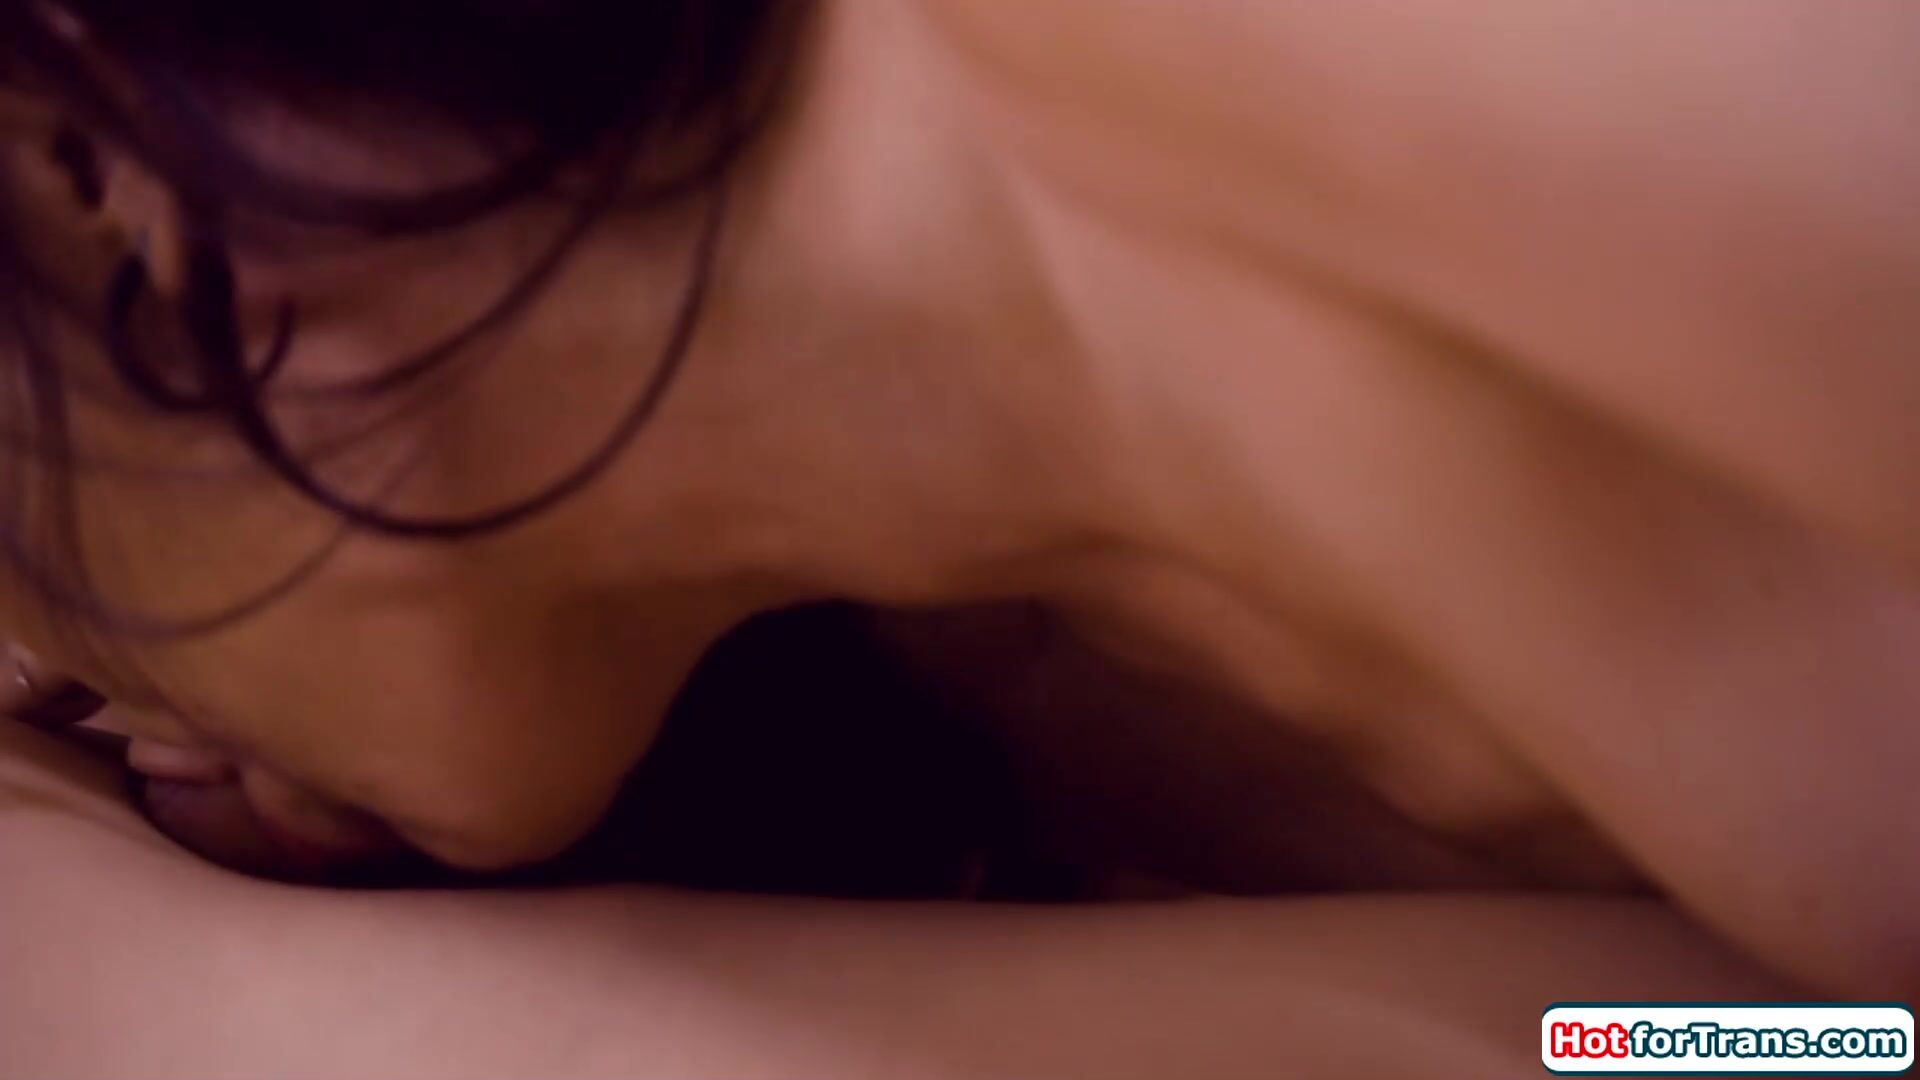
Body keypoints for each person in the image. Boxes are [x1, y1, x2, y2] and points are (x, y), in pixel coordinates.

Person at [0, 0, 1916, 1069]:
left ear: (73, 166)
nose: (21, 681)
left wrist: (199, 1017)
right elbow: (1773, 1058)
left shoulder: (1324, 57)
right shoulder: (1051, 679)